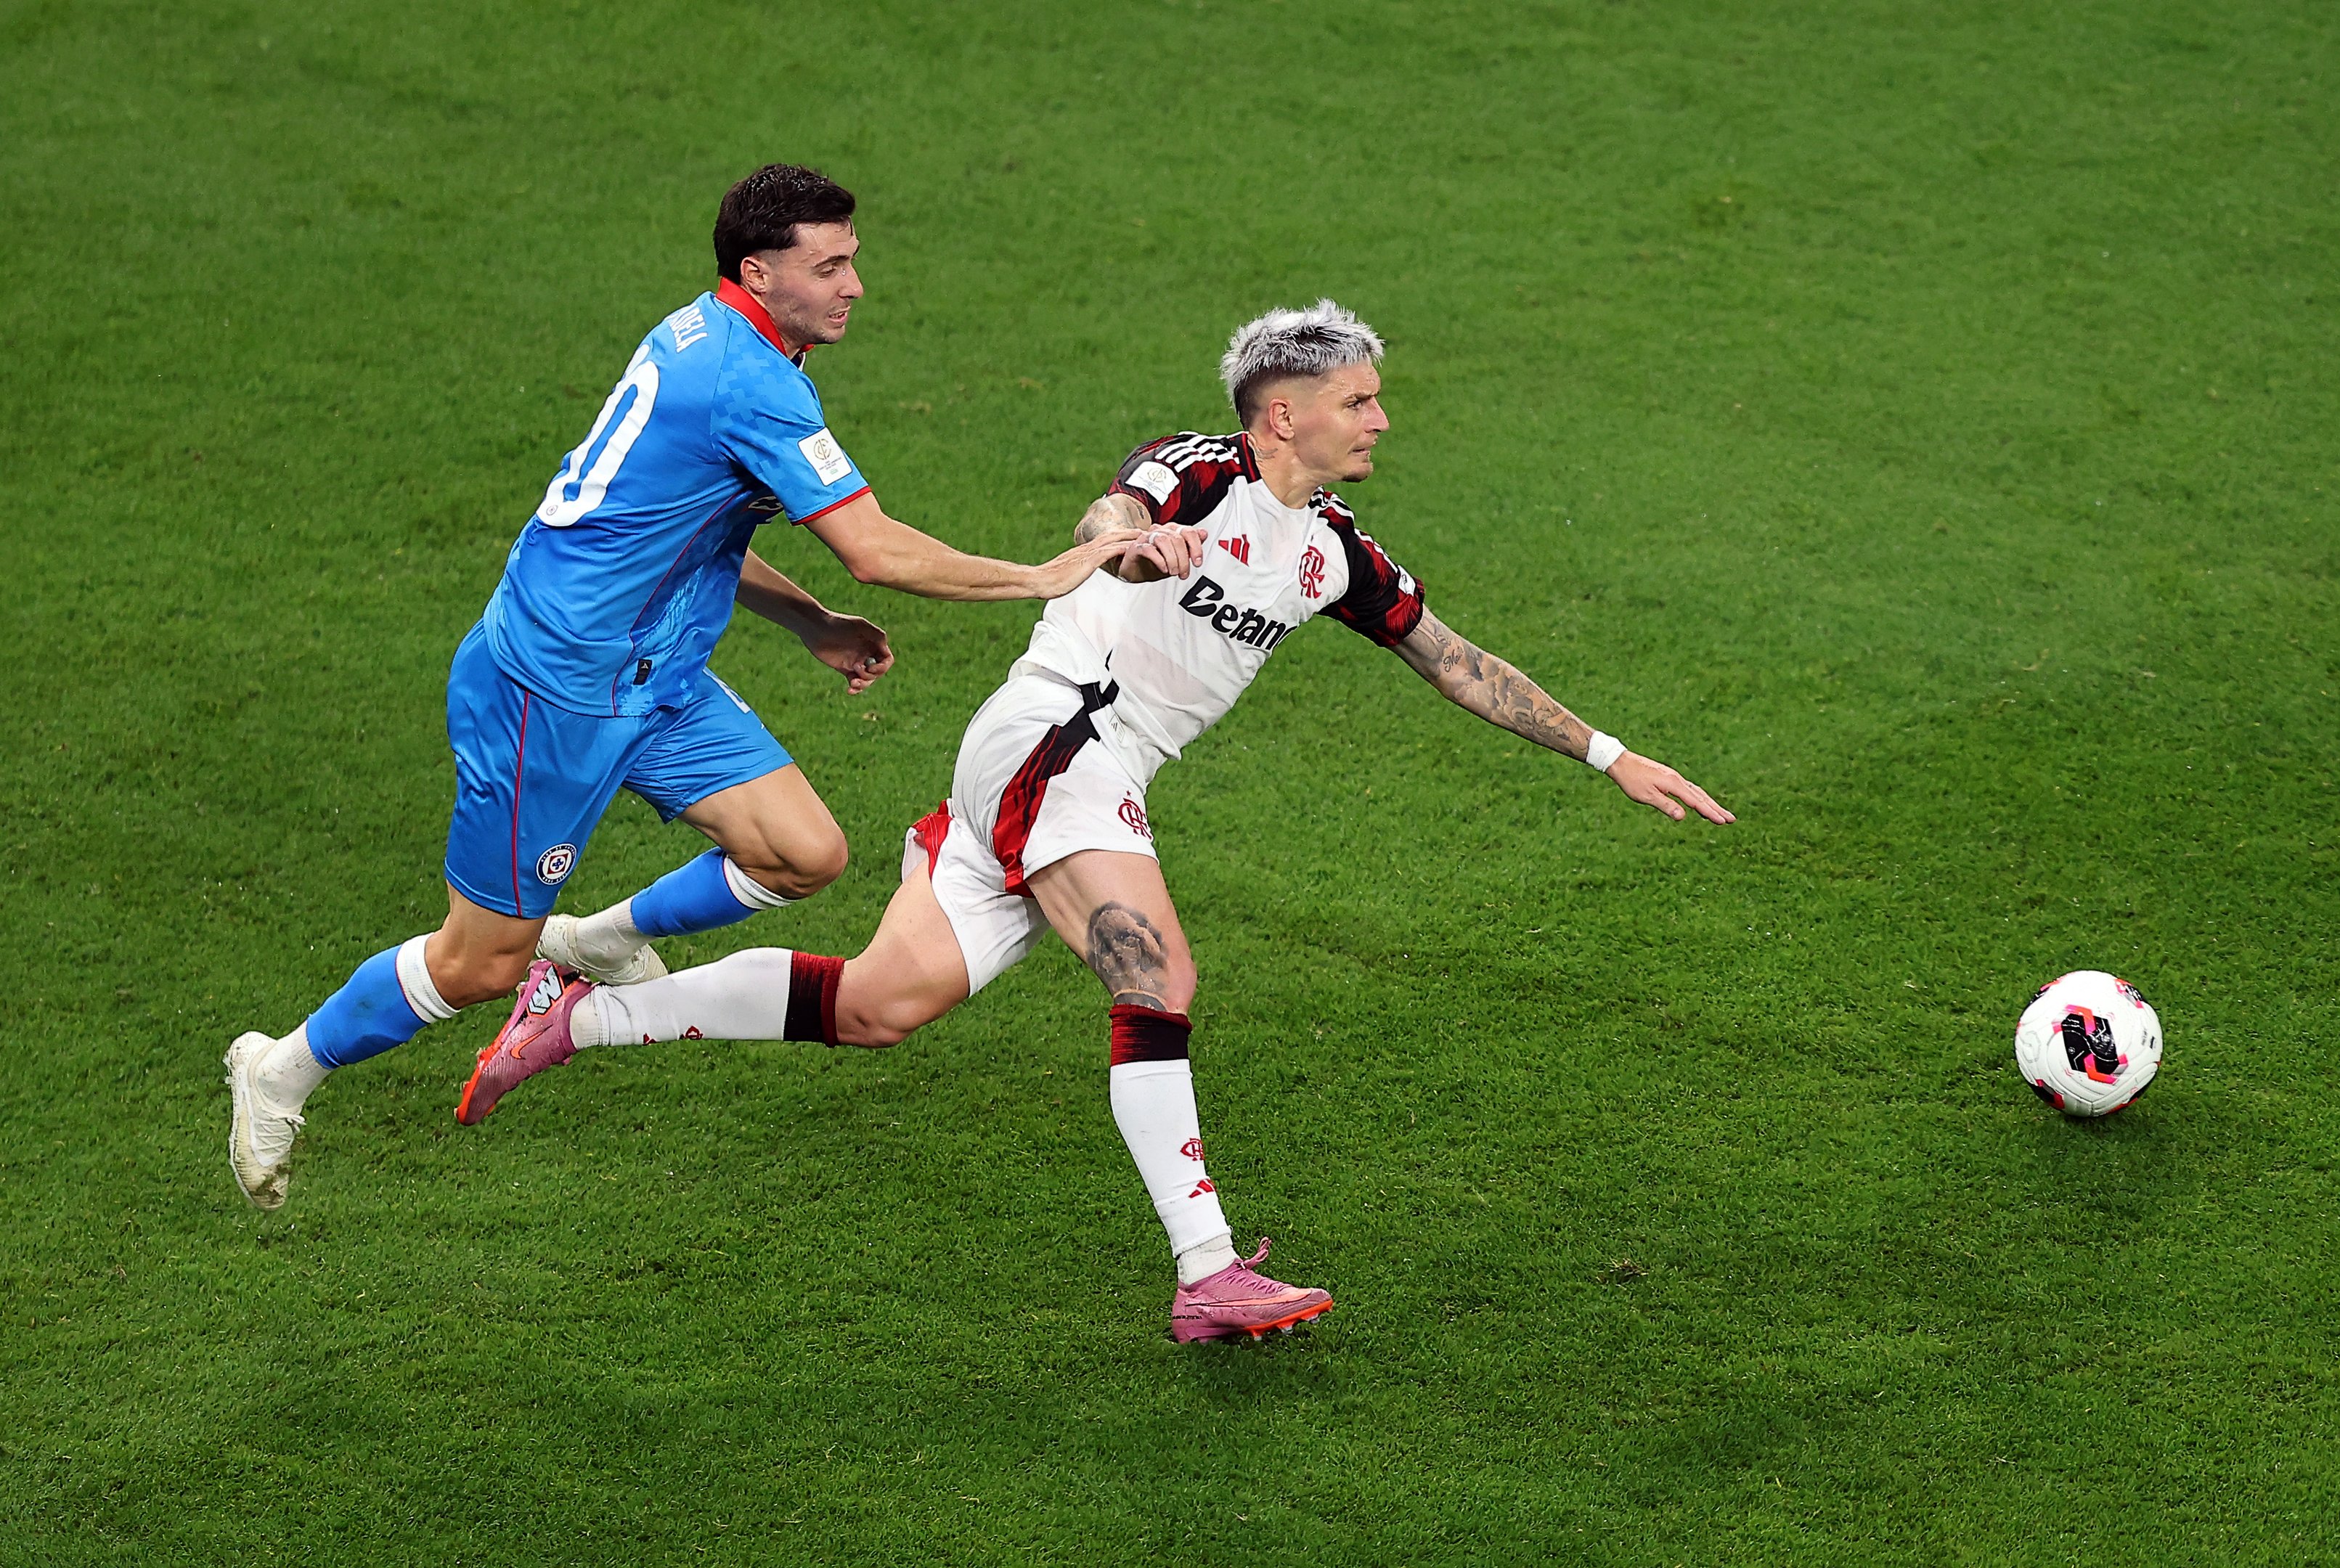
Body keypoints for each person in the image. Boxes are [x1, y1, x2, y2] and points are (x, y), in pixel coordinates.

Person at [457, 300, 1734, 1340]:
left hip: (1051, 773)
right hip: (1060, 741)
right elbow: (1108, 518)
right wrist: (1128, 546)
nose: (1380, 418)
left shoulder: (1335, 550)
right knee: (1156, 969)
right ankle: (1208, 1269)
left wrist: (1607, 752)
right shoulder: (1196, 471)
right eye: (1360, 399)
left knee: (876, 1009)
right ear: (1284, 412)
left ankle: (587, 1013)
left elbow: (1452, 658)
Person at [222, 163, 1173, 1212]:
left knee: (801, 853)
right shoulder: (749, 380)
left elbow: (682, 526)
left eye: (854, 257)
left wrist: (804, 619)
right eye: (832, 264)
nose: (856, 283)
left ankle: (594, 942)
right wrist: (1041, 577)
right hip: (555, 693)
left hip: (655, 674)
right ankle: (280, 1066)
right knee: (480, 965)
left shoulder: (719, 340)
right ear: (758, 271)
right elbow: (872, 548)